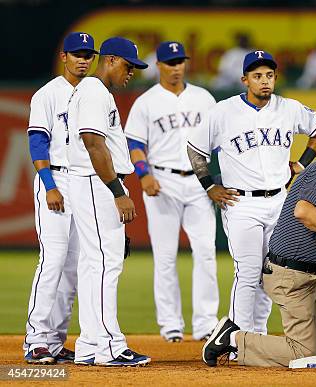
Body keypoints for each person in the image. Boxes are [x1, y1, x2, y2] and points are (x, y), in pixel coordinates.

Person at [202, 119, 316, 367]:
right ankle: (232, 338)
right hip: (292, 275)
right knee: (303, 353)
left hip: (313, 267)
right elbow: (303, 211)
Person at [187, 50, 316, 335]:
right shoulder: (223, 111)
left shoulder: (289, 108)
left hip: (278, 200)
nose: (264, 81)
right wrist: (210, 186)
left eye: (269, 75)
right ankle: (236, 336)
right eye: (257, 76)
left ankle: (258, 335)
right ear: (245, 80)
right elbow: (195, 149)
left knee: (270, 272)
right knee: (249, 271)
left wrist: (301, 163)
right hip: (241, 203)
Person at [125, 41, 219, 343]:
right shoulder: (147, 102)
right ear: (159, 66)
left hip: (199, 182)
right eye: (170, 62)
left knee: (205, 252)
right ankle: (171, 326)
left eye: (180, 61)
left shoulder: (203, 98)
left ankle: (205, 324)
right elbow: (135, 145)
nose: (176, 66)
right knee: (165, 256)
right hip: (162, 181)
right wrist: (143, 175)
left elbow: (221, 140)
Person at [67, 36, 150, 366]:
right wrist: (118, 192)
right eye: (129, 66)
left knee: (92, 264)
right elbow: (92, 143)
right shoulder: (93, 92)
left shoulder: (94, 92)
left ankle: (89, 344)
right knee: (105, 263)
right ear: (112, 60)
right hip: (97, 184)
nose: (131, 73)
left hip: (93, 183)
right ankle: (108, 346)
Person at [23, 32, 97, 365]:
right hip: (55, 178)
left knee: (74, 267)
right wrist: (49, 185)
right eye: (77, 53)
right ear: (64, 56)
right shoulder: (47, 94)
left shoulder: (94, 94)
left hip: (83, 181)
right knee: (52, 259)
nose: (83, 59)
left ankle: (54, 342)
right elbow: (38, 143)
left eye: (88, 54)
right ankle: (35, 340)